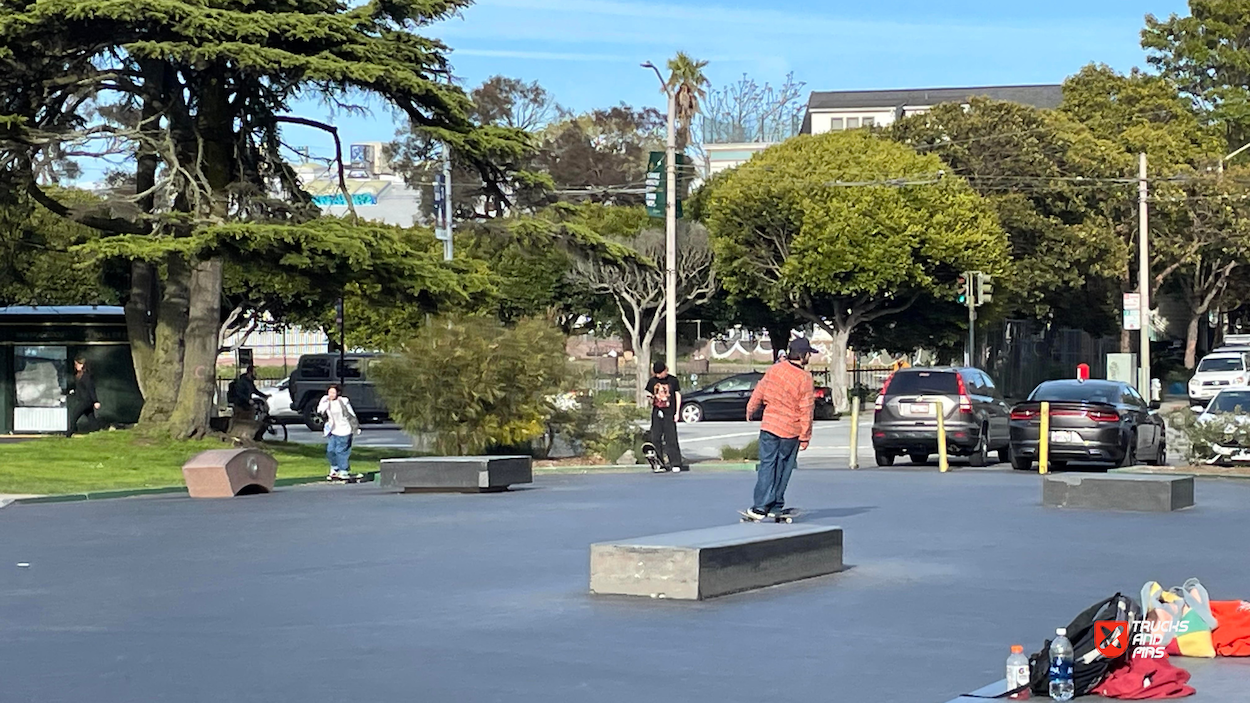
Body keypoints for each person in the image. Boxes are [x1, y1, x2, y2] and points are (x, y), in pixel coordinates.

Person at [743, 338, 815, 520]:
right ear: (803, 355)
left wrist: (751, 409)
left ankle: (760, 506)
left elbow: (759, 390)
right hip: (790, 429)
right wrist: (805, 435)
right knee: (783, 466)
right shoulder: (804, 378)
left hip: (769, 425)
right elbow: (806, 408)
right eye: (808, 354)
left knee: (767, 465)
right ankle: (774, 505)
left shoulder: (774, 369)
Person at [644, 361, 684, 472]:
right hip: (657, 413)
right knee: (656, 437)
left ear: (665, 370)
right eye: (657, 374)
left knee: (670, 438)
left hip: (669, 412)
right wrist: (651, 398)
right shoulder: (652, 381)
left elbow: (677, 395)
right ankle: (659, 462)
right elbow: (647, 394)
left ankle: (675, 462)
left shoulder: (673, 380)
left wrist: (677, 412)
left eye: (661, 373)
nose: (659, 376)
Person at [317, 385, 360, 479]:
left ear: (338, 393)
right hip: (333, 430)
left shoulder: (343, 401)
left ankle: (343, 470)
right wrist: (324, 401)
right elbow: (320, 410)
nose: (331, 394)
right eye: (329, 392)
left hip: (345, 429)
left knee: (341, 450)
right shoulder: (326, 402)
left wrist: (356, 427)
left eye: (333, 392)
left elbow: (351, 415)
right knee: (330, 450)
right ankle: (335, 468)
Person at [65, 356, 100, 437]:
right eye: (75, 364)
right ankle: (97, 431)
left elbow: (91, 388)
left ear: (83, 365)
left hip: (86, 401)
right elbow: (80, 388)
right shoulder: (79, 375)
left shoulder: (86, 376)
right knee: (91, 418)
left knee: (74, 415)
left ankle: (70, 432)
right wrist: (73, 391)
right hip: (84, 400)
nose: (76, 366)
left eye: (77, 364)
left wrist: (95, 401)